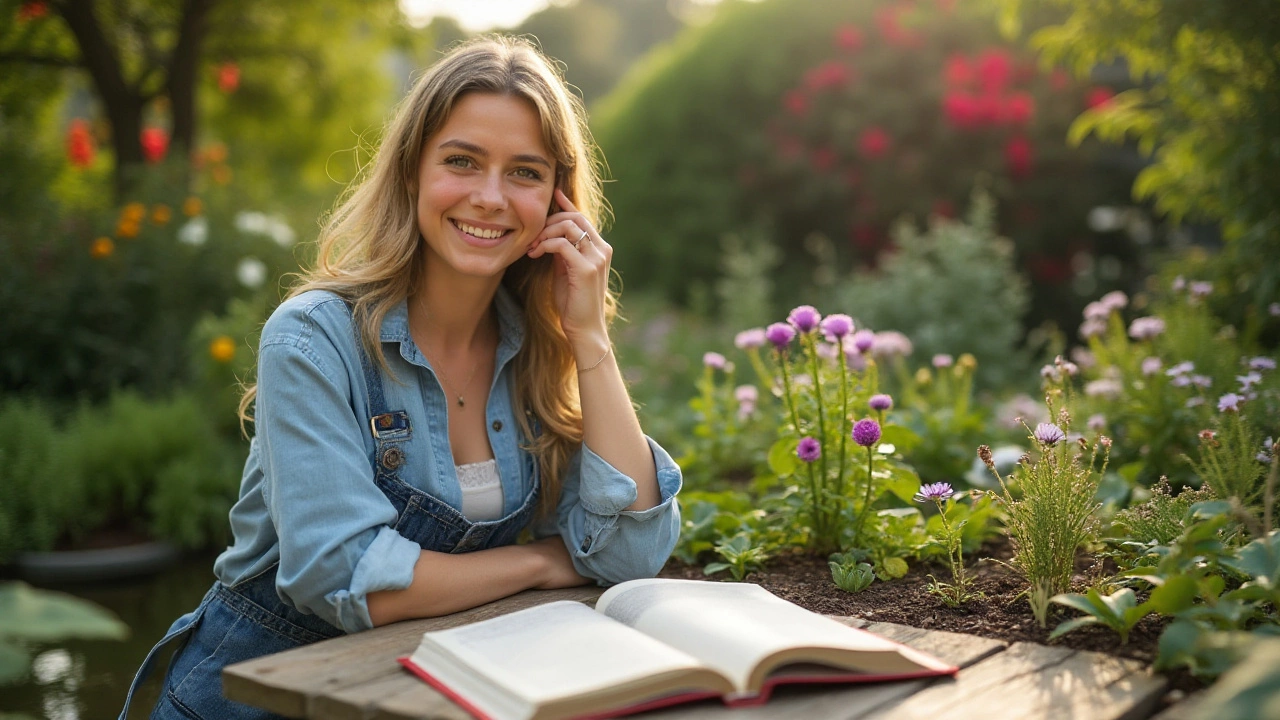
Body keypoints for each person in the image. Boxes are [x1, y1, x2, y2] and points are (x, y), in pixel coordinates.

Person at [120, 35, 682, 720]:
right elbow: (350, 581)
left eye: (525, 173)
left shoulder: (539, 347)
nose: (490, 197)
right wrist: (542, 562)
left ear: (558, 202)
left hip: (423, 698)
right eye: (462, 161)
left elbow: (629, 553)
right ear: (412, 170)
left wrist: (589, 340)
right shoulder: (313, 339)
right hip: (254, 702)